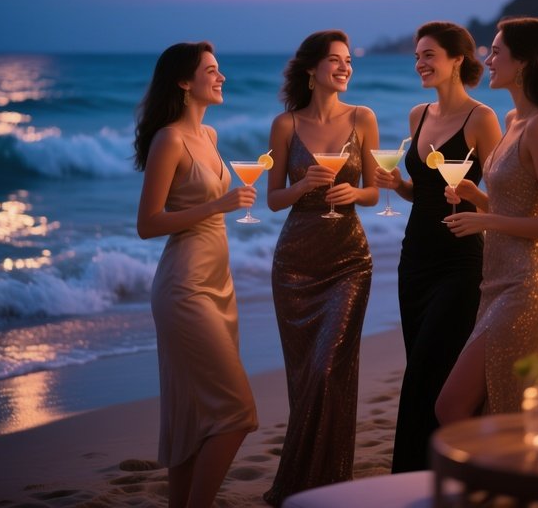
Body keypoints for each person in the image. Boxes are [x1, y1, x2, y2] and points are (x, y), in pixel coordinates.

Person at [436, 17, 538, 422]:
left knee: (452, 405)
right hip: (497, 281)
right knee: (497, 407)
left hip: (530, 283)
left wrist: (486, 222)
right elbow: (518, 208)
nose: (487, 60)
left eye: (497, 52)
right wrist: (478, 198)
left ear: (523, 63)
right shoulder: (512, 121)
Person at [373, 21, 501, 472]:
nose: (420, 64)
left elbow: (505, 201)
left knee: (431, 369)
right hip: (414, 259)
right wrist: (398, 184)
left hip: (460, 261)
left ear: (457, 60)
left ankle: (423, 473)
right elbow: (422, 193)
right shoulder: (418, 115)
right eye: (416, 56)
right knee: (420, 364)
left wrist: (471, 193)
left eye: (429, 55)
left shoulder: (482, 119)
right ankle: (425, 473)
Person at [134, 42, 258, 508]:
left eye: (219, 69)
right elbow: (148, 223)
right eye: (211, 70)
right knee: (237, 412)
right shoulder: (169, 140)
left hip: (218, 284)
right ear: (185, 82)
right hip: (183, 287)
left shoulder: (210, 135)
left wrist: (221, 205)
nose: (220, 76)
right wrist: (218, 205)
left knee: (191, 416)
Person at [263, 29, 379, 505]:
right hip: (295, 262)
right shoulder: (285, 125)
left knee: (330, 367)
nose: (345, 66)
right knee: (305, 375)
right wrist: (302, 186)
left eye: (348, 60)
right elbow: (273, 199)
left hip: (349, 259)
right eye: (335, 59)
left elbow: (374, 190)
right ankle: (303, 484)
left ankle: (329, 479)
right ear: (312, 69)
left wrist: (355, 192)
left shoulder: (363, 118)